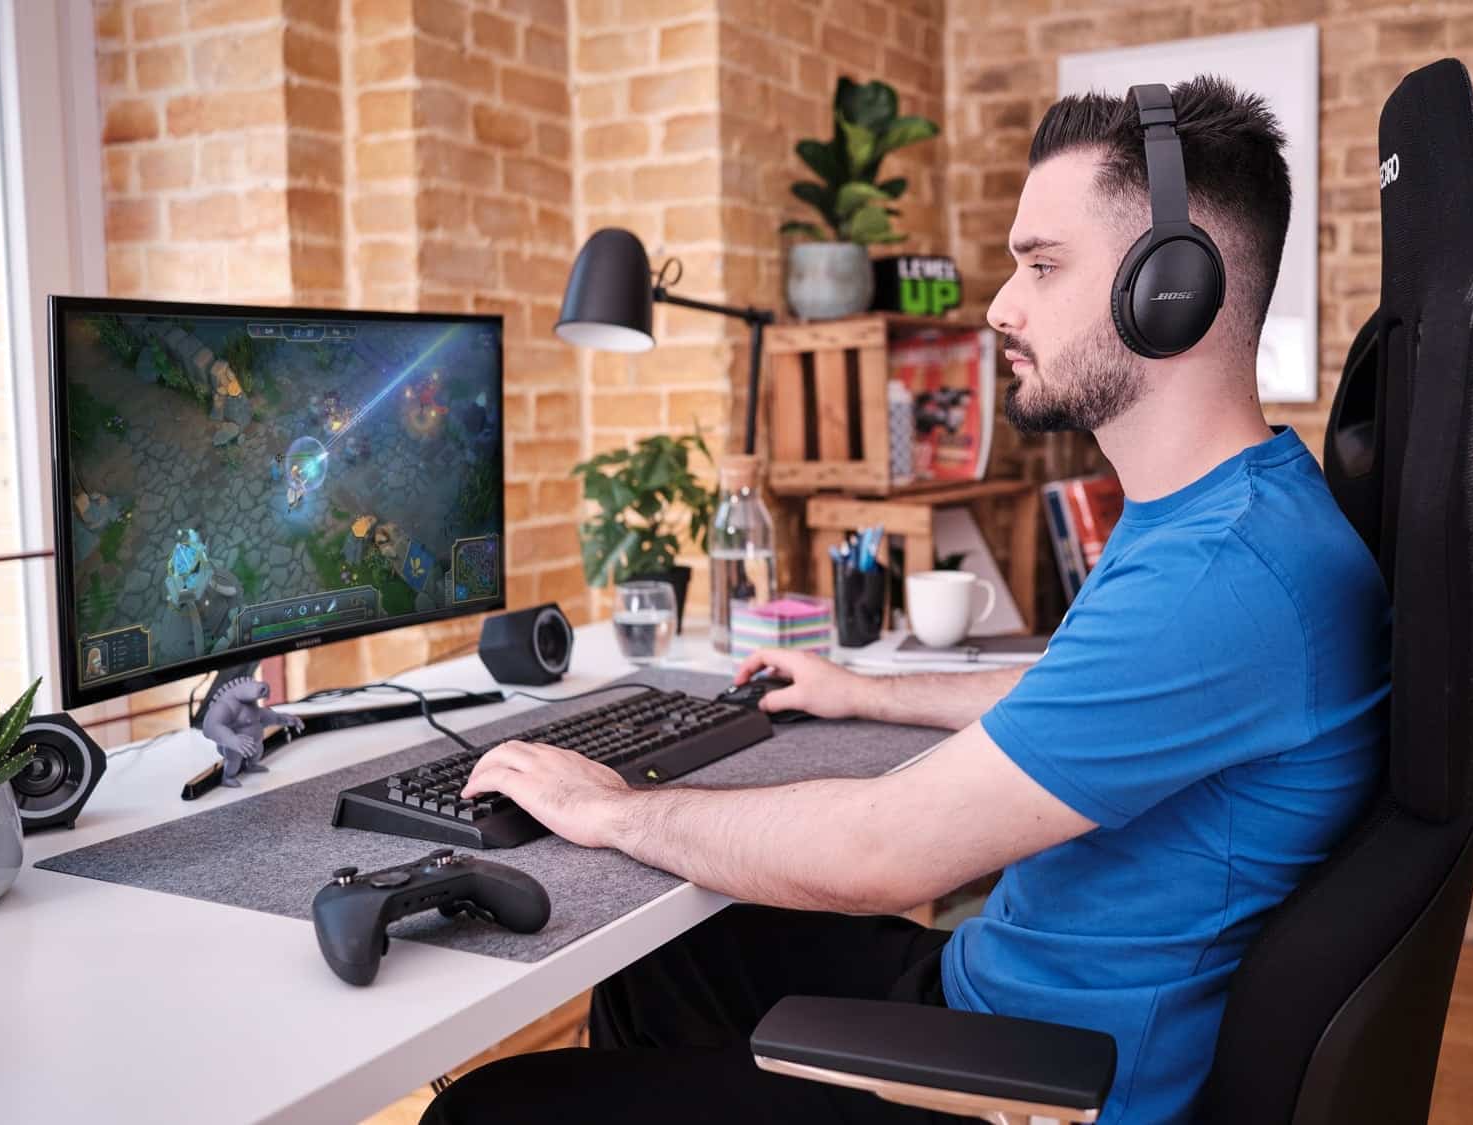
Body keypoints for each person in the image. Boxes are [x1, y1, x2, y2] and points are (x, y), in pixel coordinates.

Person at [425, 76, 1390, 1125]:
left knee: (491, 1109)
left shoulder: (1221, 577)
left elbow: (880, 853)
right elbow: (1081, 701)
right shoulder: (1228, 515)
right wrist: (870, 696)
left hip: (1032, 1084)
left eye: (1040, 266)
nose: (998, 306)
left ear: (1170, 288)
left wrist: (607, 807)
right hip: (1002, 997)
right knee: (668, 958)